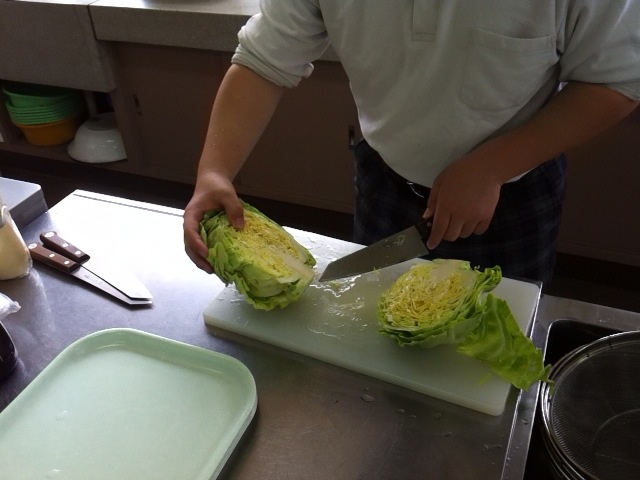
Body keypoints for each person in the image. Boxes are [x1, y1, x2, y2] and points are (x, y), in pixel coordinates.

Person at [183, 1, 640, 283]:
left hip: (511, 197)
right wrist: (214, 172)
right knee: (377, 329)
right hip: (385, 182)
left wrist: (490, 167)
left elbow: (615, 82)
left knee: (489, 363)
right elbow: (263, 62)